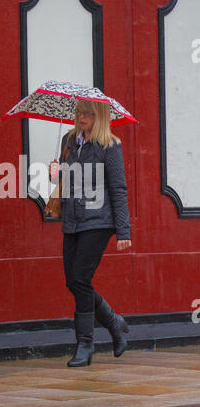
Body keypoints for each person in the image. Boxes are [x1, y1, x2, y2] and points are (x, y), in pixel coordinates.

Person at [48, 99, 132, 367]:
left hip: (99, 220)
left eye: (89, 113)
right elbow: (68, 178)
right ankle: (114, 322)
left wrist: (123, 231)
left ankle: (85, 345)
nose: (82, 117)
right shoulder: (69, 140)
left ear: (101, 117)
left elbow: (118, 188)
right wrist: (55, 171)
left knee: (81, 278)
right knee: (72, 281)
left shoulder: (110, 146)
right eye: (80, 112)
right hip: (73, 218)